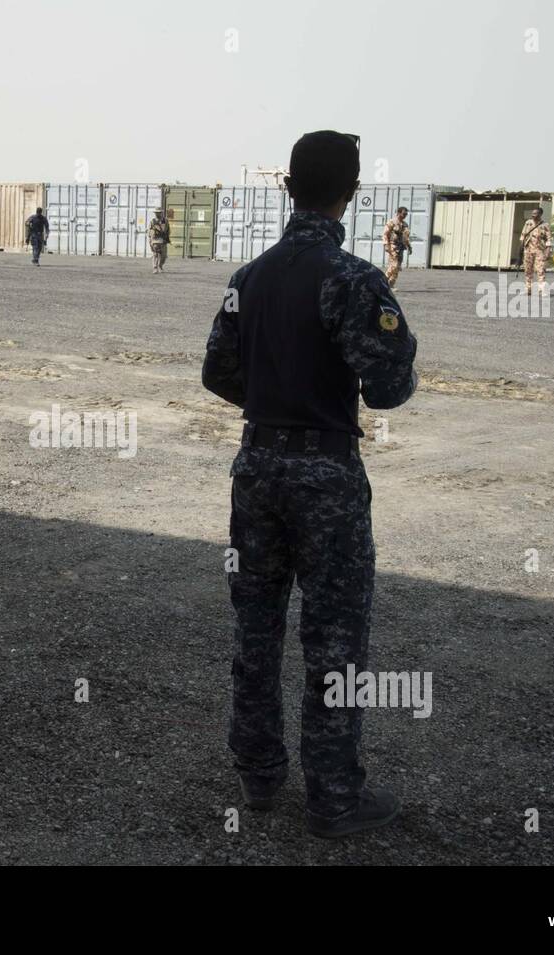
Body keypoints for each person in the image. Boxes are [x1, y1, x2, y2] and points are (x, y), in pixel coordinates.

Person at [201, 130, 418, 838]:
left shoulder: (249, 278)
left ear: (290, 187)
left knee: (256, 627)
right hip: (324, 476)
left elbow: (217, 372)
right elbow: (387, 389)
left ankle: (259, 775)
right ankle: (332, 795)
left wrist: (275, 402)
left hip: (256, 467)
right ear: (349, 192)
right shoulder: (353, 278)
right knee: (334, 638)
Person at [520, 207, 551, 294]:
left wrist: (548, 250)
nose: (533, 215)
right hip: (528, 250)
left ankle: (541, 290)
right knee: (528, 270)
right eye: (532, 213)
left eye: (535, 214)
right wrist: (521, 248)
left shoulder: (545, 225)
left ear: (540, 214)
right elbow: (523, 235)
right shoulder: (528, 223)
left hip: (539, 251)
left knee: (540, 270)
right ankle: (528, 290)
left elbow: (548, 239)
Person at [381, 206, 412, 289]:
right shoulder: (392, 222)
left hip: (401, 247)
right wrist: (386, 245)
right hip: (393, 246)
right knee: (394, 265)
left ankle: (390, 285)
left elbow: (406, 237)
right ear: (398, 213)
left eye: (406, 214)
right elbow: (385, 234)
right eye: (403, 214)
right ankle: (382, 281)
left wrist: (409, 246)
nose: (405, 215)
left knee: (397, 267)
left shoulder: (405, 225)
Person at [148, 208, 171, 273]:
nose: (157, 214)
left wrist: (167, 238)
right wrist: (150, 241)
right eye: (156, 212)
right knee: (155, 254)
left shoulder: (165, 221)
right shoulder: (152, 221)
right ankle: (155, 268)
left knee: (163, 256)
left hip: (163, 240)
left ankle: (160, 266)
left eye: (159, 212)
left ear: (161, 213)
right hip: (155, 240)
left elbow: (168, 230)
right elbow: (149, 231)